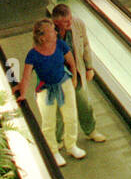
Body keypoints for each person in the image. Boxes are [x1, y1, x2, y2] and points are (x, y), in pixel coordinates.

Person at [13, 18, 87, 167]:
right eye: (51, 31)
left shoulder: (60, 44)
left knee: (71, 117)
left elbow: (71, 61)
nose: (55, 32)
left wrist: (74, 76)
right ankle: (53, 151)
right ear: (42, 37)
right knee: (49, 122)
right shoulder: (33, 54)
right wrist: (22, 93)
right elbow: (27, 76)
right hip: (45, 90)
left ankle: (71, 145)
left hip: (64, 83)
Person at [48, 4, 108, 145]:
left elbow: (85, 45)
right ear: (56, 22)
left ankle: (90, 131)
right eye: (66, 21)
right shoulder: (46, 32)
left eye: (70, 19)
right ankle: (57, 139)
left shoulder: (78, 23)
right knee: (58, 110)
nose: (70, 23)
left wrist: (89, 67)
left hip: (77, 73)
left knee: (85, 104)